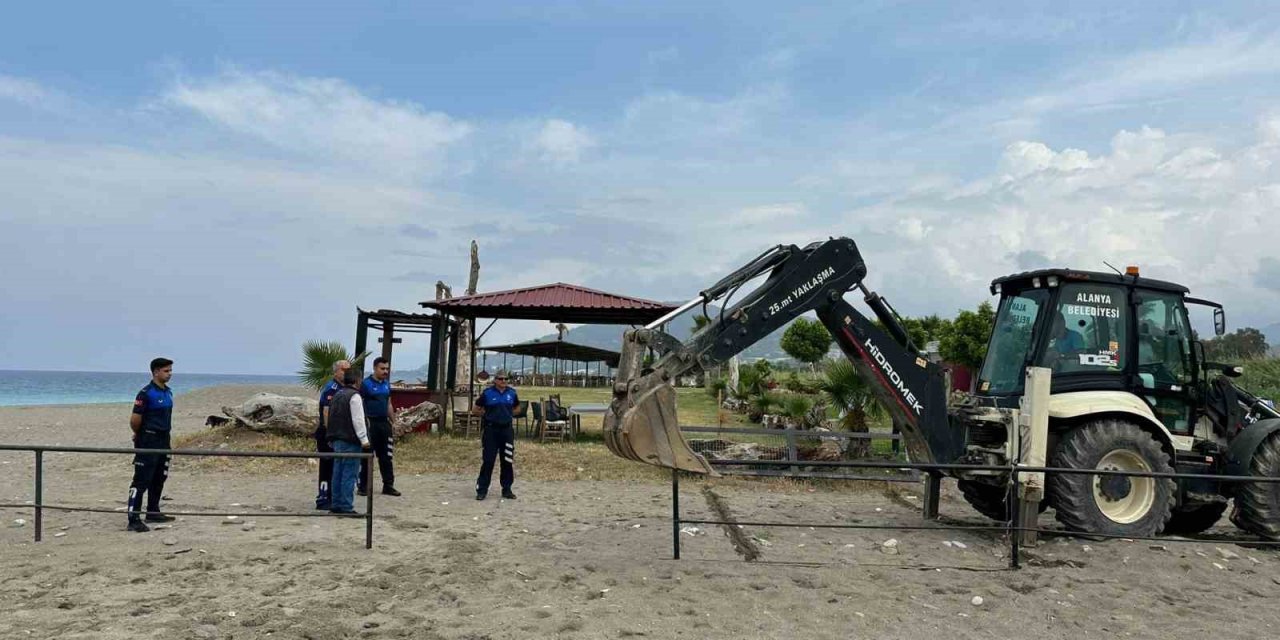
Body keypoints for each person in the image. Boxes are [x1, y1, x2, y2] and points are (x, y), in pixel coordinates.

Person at [125, 357, 176, 533]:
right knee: (141, 479)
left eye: (170, 370)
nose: (170, 374)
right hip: (149, 439)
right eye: (166, 371)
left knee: (159, 476)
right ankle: (133, 518)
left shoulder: (168, 392)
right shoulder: (146, 393)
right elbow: (135, 420)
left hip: (164, 439)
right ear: (156, 372)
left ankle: (153, 511)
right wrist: (140, 434)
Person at [326, 368, 371, 514]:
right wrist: (364, 439)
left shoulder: (337, 394)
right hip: (350, 440)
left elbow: (331, 417)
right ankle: (346, 505)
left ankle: (336, 503)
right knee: (349, 474)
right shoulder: (355, 396)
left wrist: (330, 436)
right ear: (358, 380)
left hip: (337, 439)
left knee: (337, 472)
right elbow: (358, 420)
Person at [473, 370, 519, 501]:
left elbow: (517, 408)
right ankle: (482, 490)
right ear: (495, 380)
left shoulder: (512, 393)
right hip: (491, 431)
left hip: (506, 431)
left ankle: (507, 489)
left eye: (506, 379)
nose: (503, 381)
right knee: (488, 461)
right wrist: (487, 415)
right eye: (500, 379)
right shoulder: (487, 393)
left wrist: (508, 414)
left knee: (507, 461)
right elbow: (475, 409)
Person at [358, 357, 400, 497]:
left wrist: (394, 422)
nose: (385, 371)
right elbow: (359, 404)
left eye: (387, 369)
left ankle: (388, 485)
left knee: (386, 456)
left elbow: (389, 404)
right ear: (375, 368)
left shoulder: (386, 384)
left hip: (384, 424)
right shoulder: (366, 384)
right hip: (370, 423)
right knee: (367, 456)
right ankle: (363, 486)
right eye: (382, 369)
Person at [314, 359, 350, 510]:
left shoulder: (345, 388)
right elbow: (326, 412)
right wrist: (330, 434)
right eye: (344, 370)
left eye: (349, 370)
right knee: (326, 466)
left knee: (337, 466)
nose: (347, 373)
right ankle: (323, 498)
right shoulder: (331, 388)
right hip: (327, 433)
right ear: (336, 372)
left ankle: (335, 497)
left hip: (340, 434)